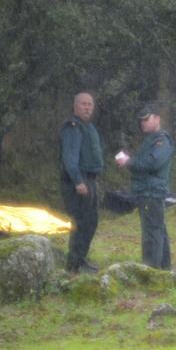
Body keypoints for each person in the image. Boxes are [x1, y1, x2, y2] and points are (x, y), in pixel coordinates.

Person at [116, 104, 176, 269]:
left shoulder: (162, 140)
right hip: (147, 191)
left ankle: (151, 270)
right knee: (157, 229)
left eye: (146, 119)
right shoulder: (151, 140)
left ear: (157, 118)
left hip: (152, 192)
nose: (142, 123)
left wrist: (129, 161)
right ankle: (164, 268)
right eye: (141, 120)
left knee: (152, 232)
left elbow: (152, 163)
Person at [59, 92, 104, 273]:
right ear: (75, 106)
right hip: (78, 182)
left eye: (90, 105)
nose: (87, 107)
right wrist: (78, 181)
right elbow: (70, 158)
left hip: (90, 180)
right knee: (81, 222)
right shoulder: (73, 127)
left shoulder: (88, 127)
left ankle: (81, 259)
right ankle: (74, 264)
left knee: (91, 221)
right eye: (83, 104)